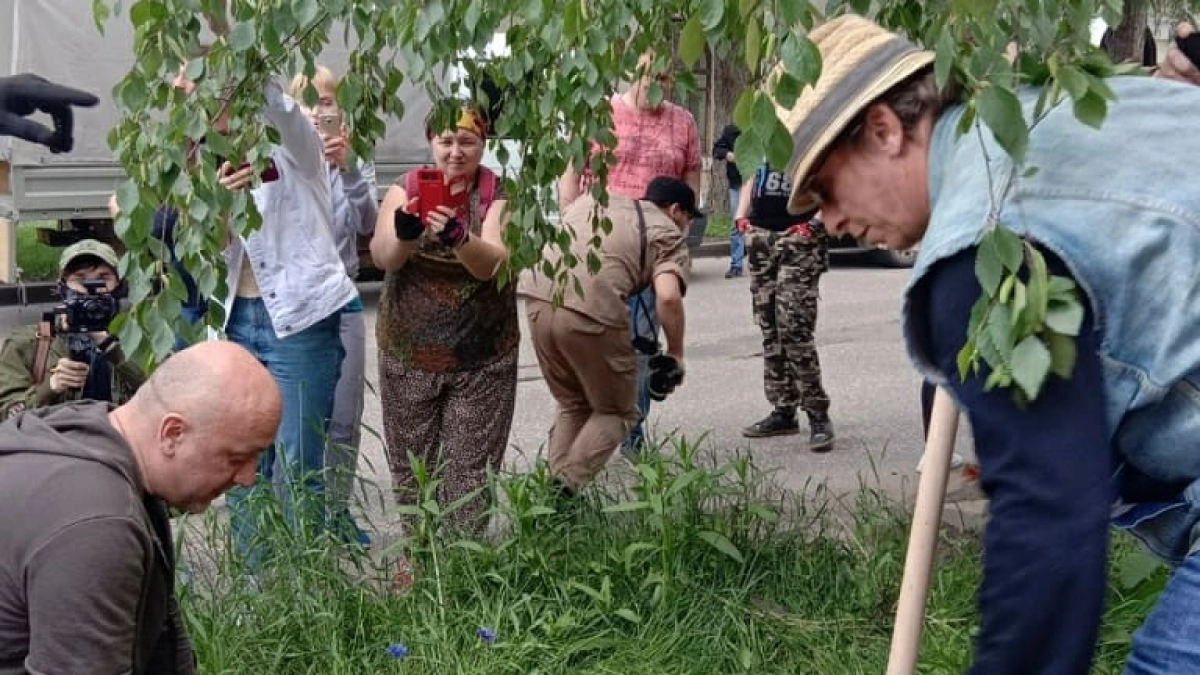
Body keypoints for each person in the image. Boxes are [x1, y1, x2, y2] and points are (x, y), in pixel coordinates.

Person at [778, 14, 1200, 674]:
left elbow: (1050, 520)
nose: (828, 222)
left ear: (885, 130)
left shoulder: (983, 251)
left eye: (824, 190)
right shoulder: (1055, 110)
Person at [0, 340, 281, 675]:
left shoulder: (91, 434)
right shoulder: (97, 525)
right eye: (235, 458)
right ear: (172, 433)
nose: (248, 478)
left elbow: (165, 634)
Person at [174, 65, 357, 567]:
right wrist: (220, 202)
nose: (204, 102)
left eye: (210, 88)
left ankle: (306, 590)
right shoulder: (203, 160)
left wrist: (227, 37)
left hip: (298, 320)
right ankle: (259, 591)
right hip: (234, 321)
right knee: (239, 460)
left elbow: (274, 99)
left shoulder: (292, 138)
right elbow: (203, 256)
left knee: (299, 463)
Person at [370, 105, 517, 542]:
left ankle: (460, 563)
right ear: (431, 141)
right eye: (446, 141)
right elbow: (382, 258)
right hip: (407, 355)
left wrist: (459, 237)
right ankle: (420, 554)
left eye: (467, 141)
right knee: (412, 467)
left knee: (470, 471)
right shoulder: (407, 188)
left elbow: (494, 265)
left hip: (481, 360)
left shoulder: (498, 192)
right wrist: (404, 236)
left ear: (483, 145)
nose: (455, 152)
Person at [557, 51, 702, 457]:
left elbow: (691, 175)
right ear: (630, 74)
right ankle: (586, 425)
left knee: (640, 344)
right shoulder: (601, 112)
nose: (657, 83)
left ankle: (631, 434)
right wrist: (572, 226)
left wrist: (681, 229)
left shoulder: (683, 121)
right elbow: (571, 173)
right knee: (593, 337)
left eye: (665, 76)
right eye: (648, 74)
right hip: (603, 244)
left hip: (654, 246)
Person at [519, 176, 693, 493]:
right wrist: (676, 353)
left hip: (537, 298)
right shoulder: (667, 232)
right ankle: (564, 493)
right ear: (676, 210)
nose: (686, 227)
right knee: (619, 411)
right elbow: (668, 296)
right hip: (591, 309)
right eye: (688, 219)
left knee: (573, 403)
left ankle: (549, 508)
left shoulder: (597, 201)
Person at [289, 65, 379, 546]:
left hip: (343, 295)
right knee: (300, 419)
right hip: (299, 304)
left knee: (344, 416)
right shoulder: (282, 157)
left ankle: (337, 511)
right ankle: (297, 517)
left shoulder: (352, 157)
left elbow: (369, 225)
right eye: (307, 100)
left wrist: (348, 170)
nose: (318, 110)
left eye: (326, 100)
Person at [733, 163, 834, 452]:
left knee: (794, 327)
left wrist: (815, 223)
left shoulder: (810, 127)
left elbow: (837, 181)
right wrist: (742, 216)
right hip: (761, 236)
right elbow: (751, 173)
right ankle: (783, 410)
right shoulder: (763, 127)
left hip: (801, 238)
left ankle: (817, 413)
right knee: (770, 327)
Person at [0, 239, 144, 418]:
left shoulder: (139, 340)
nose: (91, 289)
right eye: (80, 278)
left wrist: (108, 345)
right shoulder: (27, 343)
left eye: (103, 278)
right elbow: (8, 416)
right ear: (62, 287)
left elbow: (162, 396)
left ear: (118, 286)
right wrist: (51, 386)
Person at [0, 73, 98, 152]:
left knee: (54, 104)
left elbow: (28, 130)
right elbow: (28, 129)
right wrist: (54, 138)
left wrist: (55, 138)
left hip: (18, 86)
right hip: (21, 83)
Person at [712, 123, 745, 278]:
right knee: (736, 224)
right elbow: (716, 150)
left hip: (758, 184)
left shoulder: (762, 129)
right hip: (737, 185)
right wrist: (727, 154)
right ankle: (736, 265)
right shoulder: (731, 131)